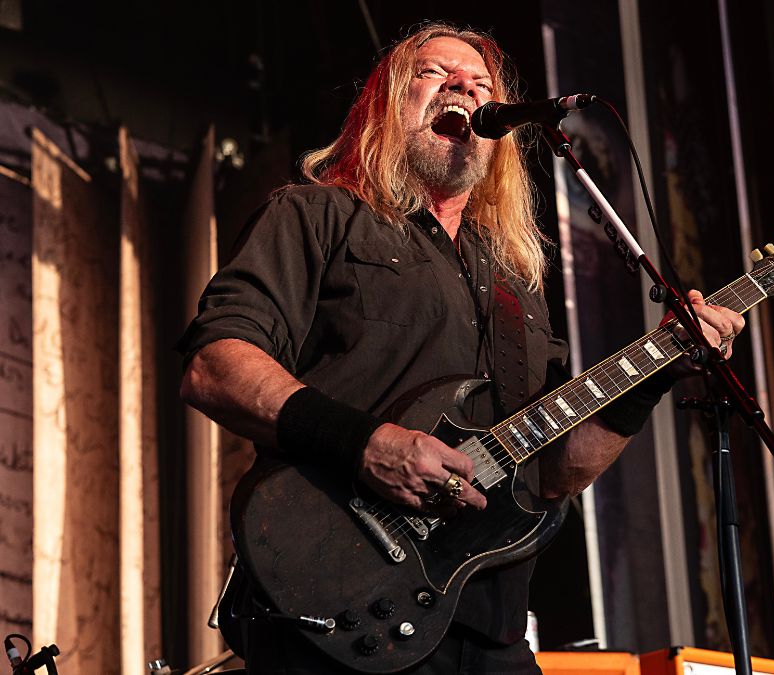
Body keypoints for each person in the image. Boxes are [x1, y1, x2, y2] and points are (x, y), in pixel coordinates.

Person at [178, 21, 743, 675]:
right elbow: (214, 364)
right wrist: (368, 445)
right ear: (386, 106)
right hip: (337, 611)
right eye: (434, 73)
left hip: (490, 633)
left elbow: (555, 472)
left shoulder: (514, 282)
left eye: (479, 83)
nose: (463, 86)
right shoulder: (317, 215)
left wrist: (657, 371)